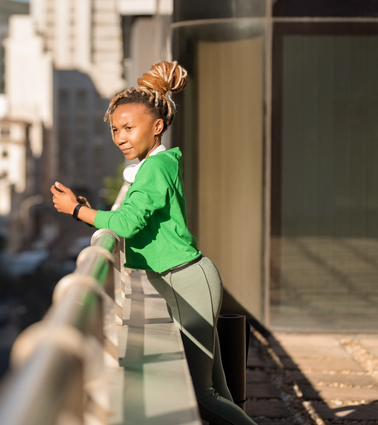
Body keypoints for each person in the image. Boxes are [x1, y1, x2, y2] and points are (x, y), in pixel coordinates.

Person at [51, 61, 257, 425]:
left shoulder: (155, 168)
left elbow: (127, 223)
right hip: (184, 279)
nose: (120, 137)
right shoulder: (153, 167)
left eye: (129, 128)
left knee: (202, 395)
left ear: (157, 126)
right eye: (115, 129)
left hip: (188, 280)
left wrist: (76, 211)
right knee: (218, 391)